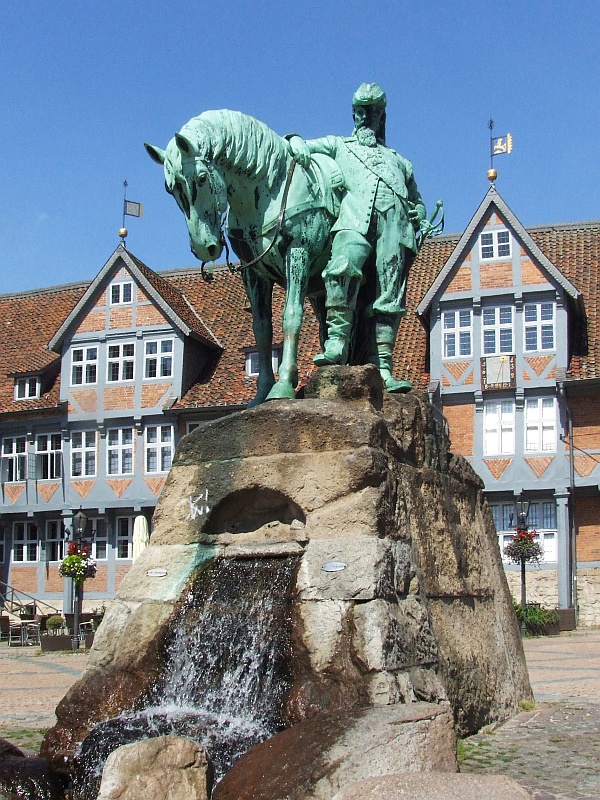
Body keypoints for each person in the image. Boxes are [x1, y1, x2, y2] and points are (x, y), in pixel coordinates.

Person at [287, 82, 426, 391]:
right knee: (341, 269)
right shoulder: (340, 145)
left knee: (389, 296)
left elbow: (418, 203)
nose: (363, 120)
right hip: (353, 222)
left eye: (369, 114)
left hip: (394, 227)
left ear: (380, 118)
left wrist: (418, 212)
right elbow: (302, 145)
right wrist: (295, 140)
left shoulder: (401, 162)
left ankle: (384, 368)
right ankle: (336, 343)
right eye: (358, 113)